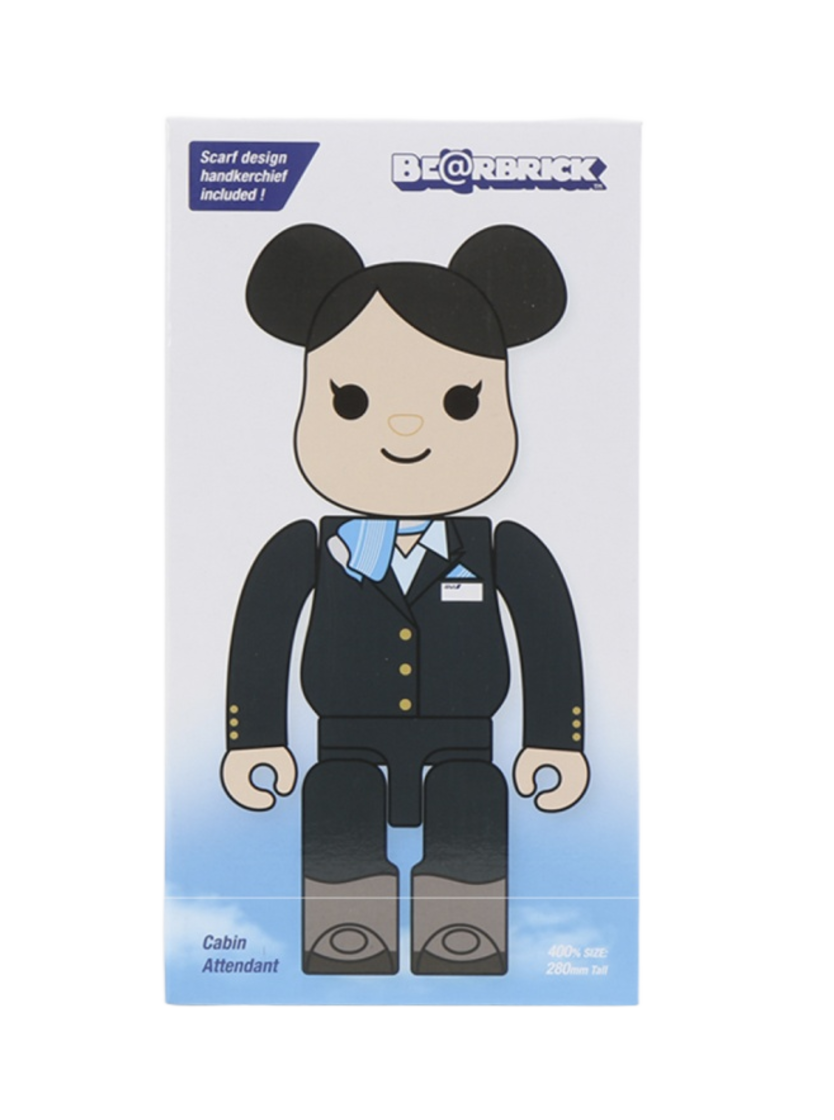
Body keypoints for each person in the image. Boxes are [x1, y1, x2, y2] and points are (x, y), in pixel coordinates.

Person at [221, 224, 589, 975]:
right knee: (341, 830)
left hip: (466, 743)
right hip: (343, 742)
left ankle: (463, 935)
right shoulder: (306, 550)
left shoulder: (500, 550)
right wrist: (252, 737)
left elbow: (550, 639)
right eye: (352, 401)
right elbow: (262, 637)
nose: (405, 427)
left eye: (460, 401)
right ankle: (345, 934)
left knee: (468, 831)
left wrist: (557, 738)